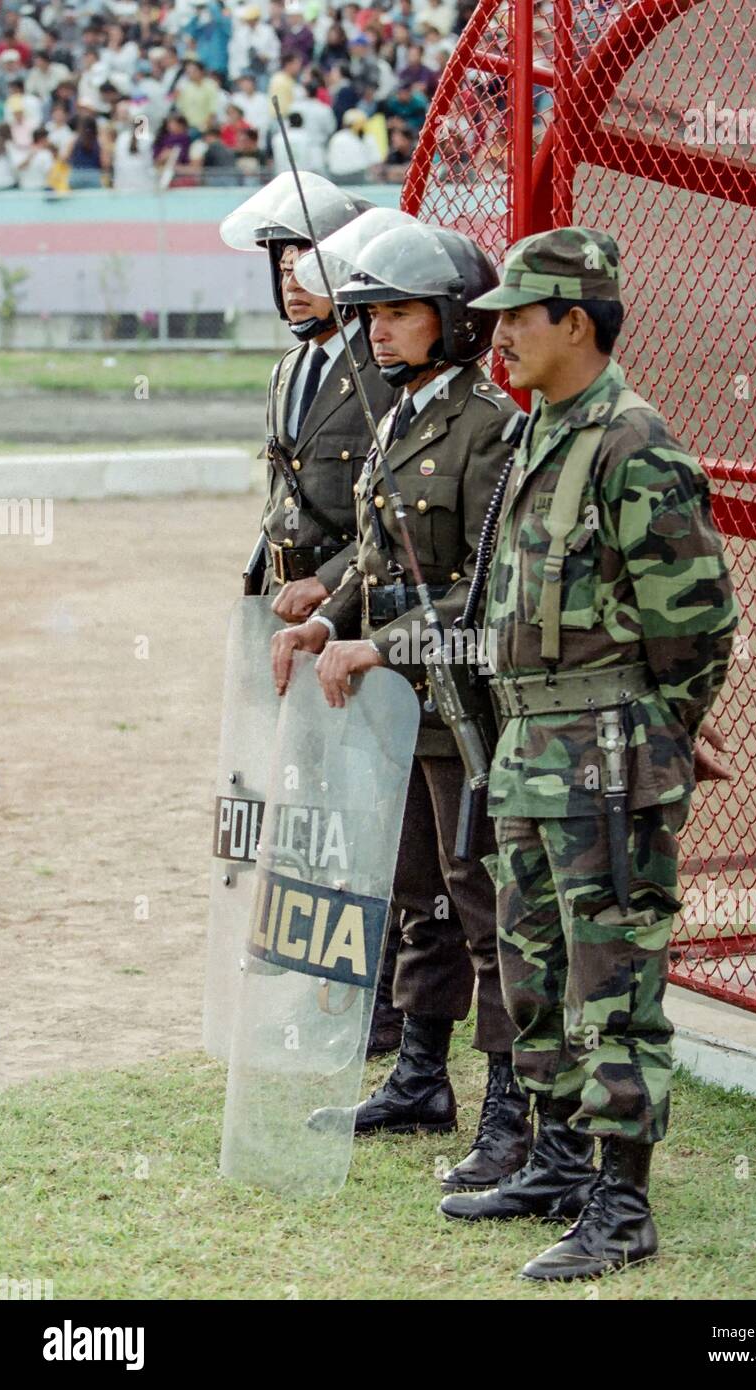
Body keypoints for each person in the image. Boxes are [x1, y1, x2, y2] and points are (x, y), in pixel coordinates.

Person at [437, 227, 738, 1280]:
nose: (499, 335)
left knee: (613, 985)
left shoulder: (632, 444)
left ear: (577, 320)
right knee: (536, 973)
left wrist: (661, 732)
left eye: (518, 315)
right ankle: (561, 1158)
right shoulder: (543, 432)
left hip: (607, 762)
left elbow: (696, 629)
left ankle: (622, 1203)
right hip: (531, 751)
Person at [271, 223, 533, 1193]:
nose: (377, 329)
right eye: (372, 311)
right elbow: (380, 558)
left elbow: (479, 595)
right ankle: (422, 1076)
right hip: (402, 708)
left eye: (399, 311)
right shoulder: (403, 415)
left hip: (466, 707)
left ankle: (512, 1105)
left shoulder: (491, 430)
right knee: (416, 896)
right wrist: (324, 620)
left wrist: (378, 642)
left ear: (454, 321)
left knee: (483, 905)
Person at [220, 179, 400, 1054]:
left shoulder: (379, 373)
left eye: (312, 263)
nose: (294, 280)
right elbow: (281, 500)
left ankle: (387, 1004)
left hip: (356, 620)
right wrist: (259, 588)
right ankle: (332, 983)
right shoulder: (292, 369)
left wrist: (328, 590)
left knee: (371, 813)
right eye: (283, 264)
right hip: (287, 622)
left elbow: (388, 514)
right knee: (309, 806)